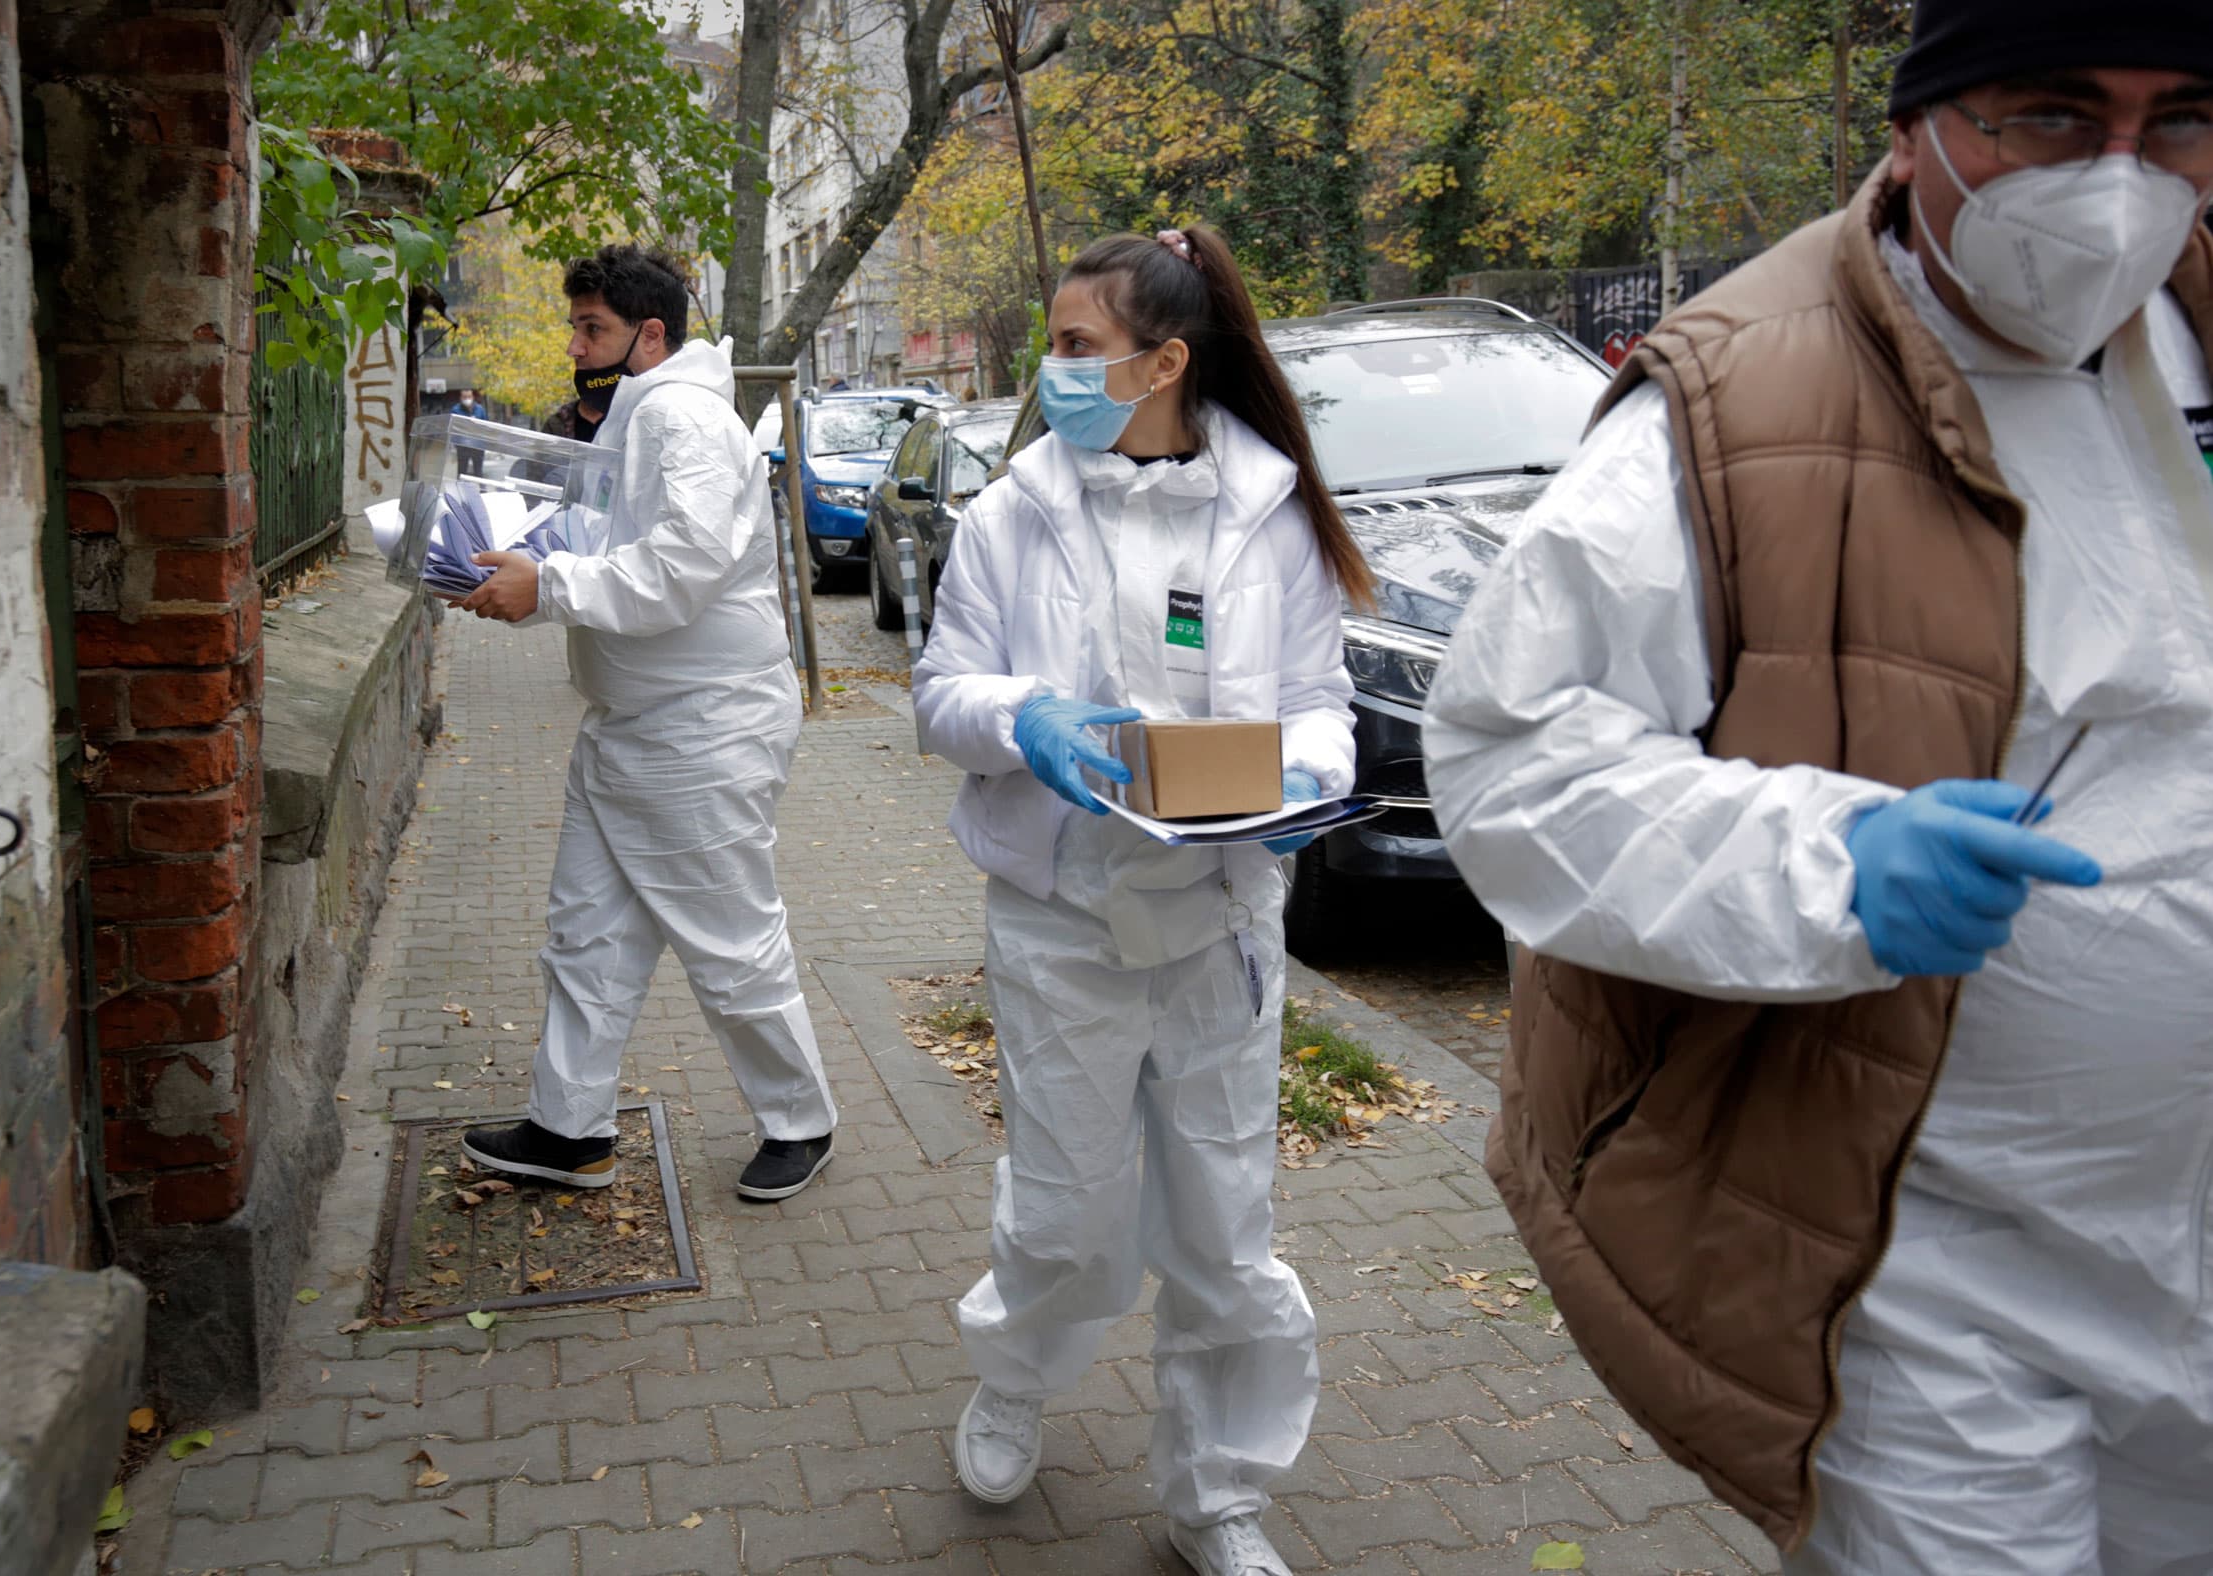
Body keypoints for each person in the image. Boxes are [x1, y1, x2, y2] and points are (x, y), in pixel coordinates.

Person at [1421, 4, 2213, 1569]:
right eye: (2052, 116)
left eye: (2176, 120)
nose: (2120, 182)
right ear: (1920, 125)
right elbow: (1513, 756)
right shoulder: (1737, 402)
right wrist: (1836, 861)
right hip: (1930, 1269)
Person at [914, 225, 1371, 1576]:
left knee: (1227, 1225)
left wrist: (1276, 776)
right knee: (1064, 1209)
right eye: (1049, 345)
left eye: (1073, 348)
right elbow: (942, 696)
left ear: (1165, 362)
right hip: (1061, 920)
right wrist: (1025, 715)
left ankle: (1218, 1492)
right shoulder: (1014, 511)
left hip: (1219, 921)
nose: (1046, 370)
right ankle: (1014, 1379)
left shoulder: (1269, 516)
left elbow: (1324, 716)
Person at [453, 244, 839, 1202]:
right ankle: (567, 1126)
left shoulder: (680, 415)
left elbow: (686, 562)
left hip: (703, 730)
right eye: (575, 326)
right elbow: (609, 549)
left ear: (650, 336)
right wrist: (529, 574)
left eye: (594, 329)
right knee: (586, 933)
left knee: (727, 936)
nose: (577, 346)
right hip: (630, 725)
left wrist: (550, 587)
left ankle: (801, 1120)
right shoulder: (632, 424)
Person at [453, 389, 490, 475]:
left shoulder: (480, 409)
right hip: (463, 446)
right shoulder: (456, 410)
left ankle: (481, 488)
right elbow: (454, 427)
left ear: (473, 397)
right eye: (464, 397)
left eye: (469, 397)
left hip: (477, 445)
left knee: (478, 472)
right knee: (462, 472)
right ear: (461, 398)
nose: (467, 399)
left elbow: (486, 426)